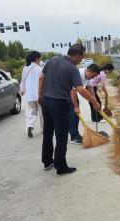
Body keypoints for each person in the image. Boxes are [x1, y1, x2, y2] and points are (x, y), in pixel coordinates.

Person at [38, 44, 100, 175]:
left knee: (48, 133)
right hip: (59, 103)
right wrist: (94, 101)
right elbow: (80, 89)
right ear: (77, 55)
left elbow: (41, 78)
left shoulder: (52, 60)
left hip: (46, 102)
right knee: (61, 136)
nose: (81, 59)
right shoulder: (72, 68)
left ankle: (47, 161)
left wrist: (40, 95)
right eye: (81, 56)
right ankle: (61, 166)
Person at [68, 64, 101, 144]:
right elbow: (72, 92)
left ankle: (74, 133)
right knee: (73, 114)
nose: (92, 78)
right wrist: (76, 107)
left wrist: (94, 101)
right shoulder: (78, 74)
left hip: (72, 93)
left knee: (75, 115)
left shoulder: (87, 76)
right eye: (92, 76)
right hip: (65, 93)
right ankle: (74, 136)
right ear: (89, 71)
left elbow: (90, 87)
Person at [20, 51, 43, 138]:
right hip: (39, 94)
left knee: (30, 111)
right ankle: (43, 129)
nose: (40, 60)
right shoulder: (39, 69)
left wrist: (22, 90)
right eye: (39, 59)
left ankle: (30, 126)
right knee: (42, 113)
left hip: (30, 95)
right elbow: (42, 81)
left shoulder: (25, 68)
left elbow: (22, 80)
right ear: (36, 59)